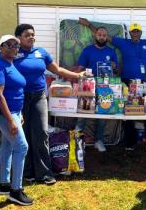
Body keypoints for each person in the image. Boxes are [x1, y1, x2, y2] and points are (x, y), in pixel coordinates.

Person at [13, 24, 92, 184]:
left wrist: (77, 76)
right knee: (24, 135)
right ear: (19, 38)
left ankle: (44, 173)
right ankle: (27, 172)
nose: (31, 37)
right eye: (27, 34)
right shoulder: (13, 53)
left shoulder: (41, 52)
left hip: (39, 97)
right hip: (19, 98)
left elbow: (58, 70)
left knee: (41, 133)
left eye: (33, 34)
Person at [78, 18, 146, 155]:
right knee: (128, 112)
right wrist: (89, 24)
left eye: (138, 31)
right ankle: (129, 142)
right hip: (126, 81)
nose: (136, 33)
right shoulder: (123, 43)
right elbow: (104, 36)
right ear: (130, 33)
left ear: (141, 32)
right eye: (133, 31)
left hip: (144, 83)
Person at [0, 34, 33, 206]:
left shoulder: (10, 63)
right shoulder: (0, 64)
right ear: (0, 47)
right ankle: (15, 191)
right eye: (8, 45)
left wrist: (19, 114)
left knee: (8, 146)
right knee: (22, 146)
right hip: (5, 114)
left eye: (16, 45)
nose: (13, 48)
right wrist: (10, 120)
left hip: (14, 112)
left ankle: (4, 184)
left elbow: (15, 92)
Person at [74, 26, 119, 152]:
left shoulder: (111, 51)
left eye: (104, 35)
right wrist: (83, 74)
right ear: (95, 36)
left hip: (105, 87)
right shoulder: (87, 50)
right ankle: (77, 141)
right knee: (83, 114)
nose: (102, 37)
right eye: (99, 34)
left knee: (102, 114)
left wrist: (114, 67)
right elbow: (80, 68)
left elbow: (116, 70)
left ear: (107, 37)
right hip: (88, 86)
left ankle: (98, 140)